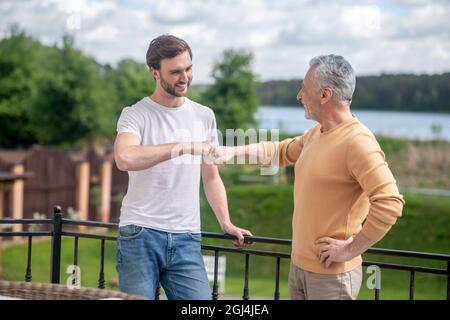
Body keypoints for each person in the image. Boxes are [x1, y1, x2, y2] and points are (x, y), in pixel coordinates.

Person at [208, 54, 405, 300]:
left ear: (325, 95)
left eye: (304, 88)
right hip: (299, 269)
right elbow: (278, 151)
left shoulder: (358, 142)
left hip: (331, 277)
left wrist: (350, 250)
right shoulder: (317, 134)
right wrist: (231, 152)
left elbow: (389, 203)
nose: (299, 95)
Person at [114, 34, 252, 300]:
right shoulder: (135, 114)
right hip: (140, 233)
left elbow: (211, 177)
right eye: (175, 71)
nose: (185, 77)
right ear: (155, 72)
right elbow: (125, 158)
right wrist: (184, 146)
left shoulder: (204, 115)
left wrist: (226, 222)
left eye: (188, 68)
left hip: (187, 237)